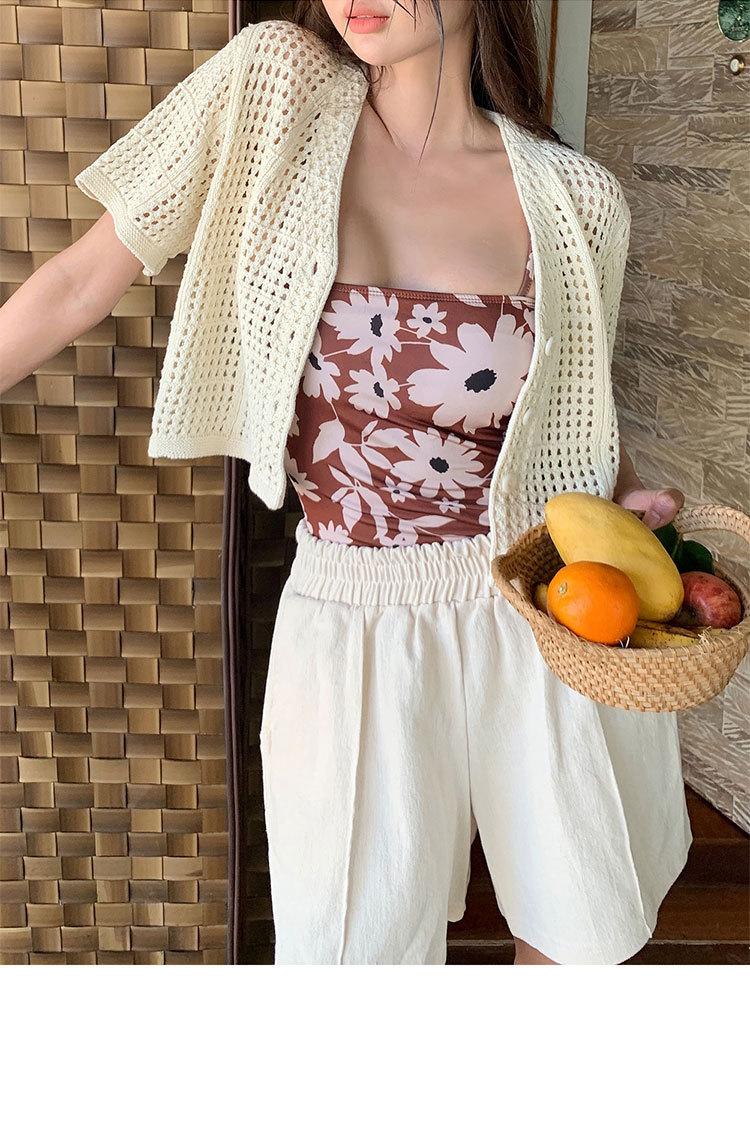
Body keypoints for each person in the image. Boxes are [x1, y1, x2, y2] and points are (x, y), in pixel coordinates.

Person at [0, 2, 692, 965]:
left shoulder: (578, 197)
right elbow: (83, 280)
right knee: (352, 950)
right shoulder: (273, 90)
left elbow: (576, 411)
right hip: (351, 604)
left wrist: (635, 506)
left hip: (544, 602)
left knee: (574, 931)